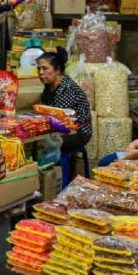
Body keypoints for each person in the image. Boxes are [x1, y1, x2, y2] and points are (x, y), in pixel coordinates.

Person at [37, 47, 93, 185]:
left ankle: (52, 182)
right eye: (39, 69)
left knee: (41, 144)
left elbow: (61, 121)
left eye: (45, 68)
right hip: (60, 129)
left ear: (57, 70)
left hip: (77, 132)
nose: (41, 73)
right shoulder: (49, 86)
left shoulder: (67, 89)